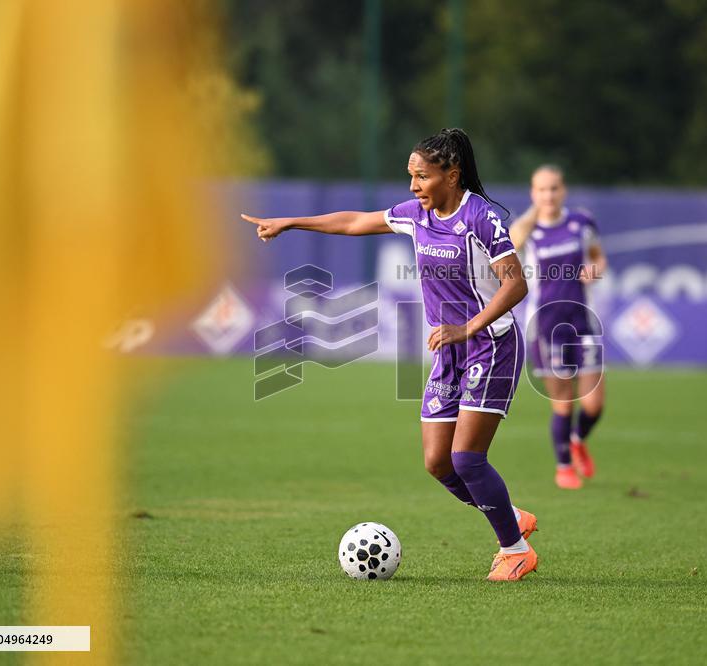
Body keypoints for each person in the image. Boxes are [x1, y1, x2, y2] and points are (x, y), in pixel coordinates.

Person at [242, 128, 539, 581]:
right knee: (438, 463)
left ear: (451, 175)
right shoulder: (416, 215)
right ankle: (509, 515)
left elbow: (516, 284)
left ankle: (515, 550)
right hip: (449, 351)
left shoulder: (480, 218)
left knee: (467, 459)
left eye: (422, 176)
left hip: (491, 345)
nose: (413, 186)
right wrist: (291, 222)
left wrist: (467, 327)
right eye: (410, 176)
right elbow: (355, 222)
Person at [510, 164, 607, 490]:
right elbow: (503, 260)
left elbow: (598, 256)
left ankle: (578, 440)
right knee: (563, 402)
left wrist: (595, 269)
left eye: (553, 188)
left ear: (563, 191)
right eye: (541, 189)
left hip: (584, 321)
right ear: (533, 193)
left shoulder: (581, 222)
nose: (548, 195)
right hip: (547, 326)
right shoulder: (526, 231)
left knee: (593, 405)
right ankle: (564, 467)